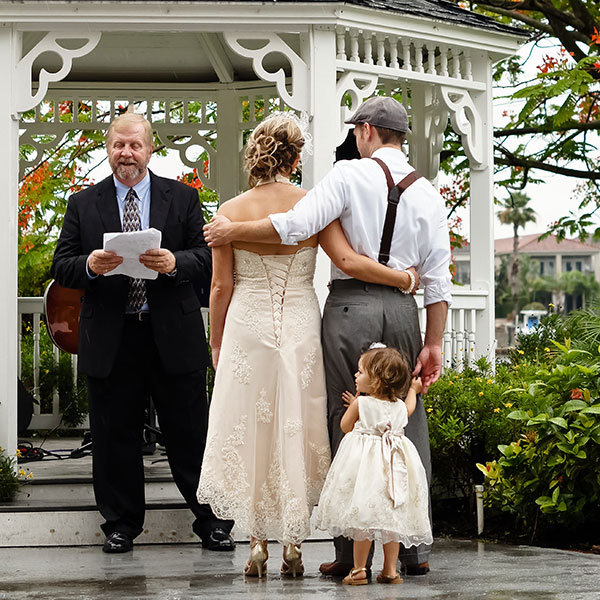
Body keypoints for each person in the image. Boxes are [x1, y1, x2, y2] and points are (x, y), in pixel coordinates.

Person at [203, 96, 452, 576]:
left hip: (320, 315)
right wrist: (431, 336)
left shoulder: (335, 180)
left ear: (365, 131)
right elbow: (437, 276)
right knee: (405, 420)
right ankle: (411, 552)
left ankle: (342, 554)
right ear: (294, 158)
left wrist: (230, 231)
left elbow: (224, 283)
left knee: (345, 416)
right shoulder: (429, 192)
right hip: (393, 312)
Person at [51, 111, 234, 554]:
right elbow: (63, 265)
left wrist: (174, 263)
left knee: (191, 432)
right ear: (107, 148)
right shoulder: (83, 203)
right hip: (112, 337)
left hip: (170, 330)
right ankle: (120, 524)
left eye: (135, 145)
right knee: (115, 436)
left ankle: (212, 521)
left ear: (151, 149)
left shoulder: (184, 198)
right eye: (118, 145)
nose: (126, 153)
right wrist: (90, 267)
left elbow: (207, 258)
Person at [314, 346, 433, 585]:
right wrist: (414, 389)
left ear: (377, 380)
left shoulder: (362, 404)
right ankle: (390, 570)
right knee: (392, 524)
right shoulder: (398, 406)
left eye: (360, 372)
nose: (356, 376)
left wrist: (356, 403)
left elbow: (346, 426)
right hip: (394, 469)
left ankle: (359, 570)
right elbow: (409, 409)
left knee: (363, 523)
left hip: (366, 473)